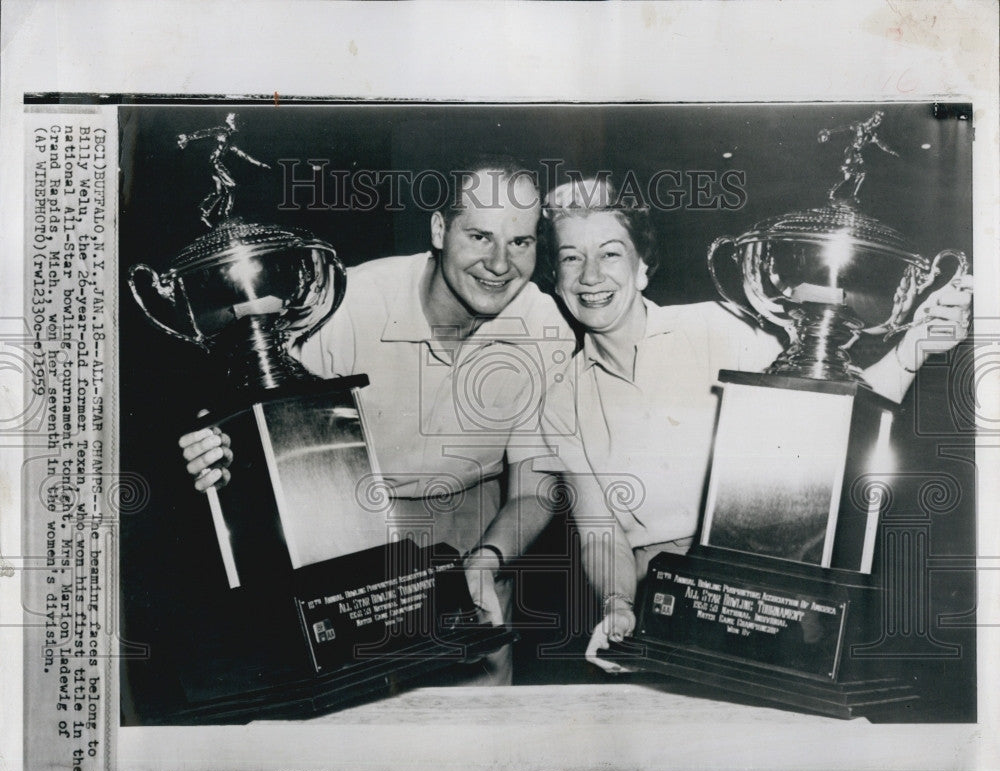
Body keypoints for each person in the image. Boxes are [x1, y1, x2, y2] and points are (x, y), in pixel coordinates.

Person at [475, 175, 974, 675]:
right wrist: (616, 606)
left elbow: (837, 417)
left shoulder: (718, 327)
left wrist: (912, 351)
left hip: (771, 590)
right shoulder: (561, 397)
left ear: (642, 268)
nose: (590, 276)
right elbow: (600, 534)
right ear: (555, 279)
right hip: (663, 604)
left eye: (609, 254)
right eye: (570, 257)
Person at [179, 160, 571, 684]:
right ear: (439, 229)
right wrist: (219, 445)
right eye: (480, 235)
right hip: (352, 520)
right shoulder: (345, 304)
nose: (500, 263)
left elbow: (533, 490)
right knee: (363, 705)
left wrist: (486, 561)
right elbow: (261, 414)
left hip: (478, 525)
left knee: (480, 712)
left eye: (520, 242)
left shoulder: (545, 326)